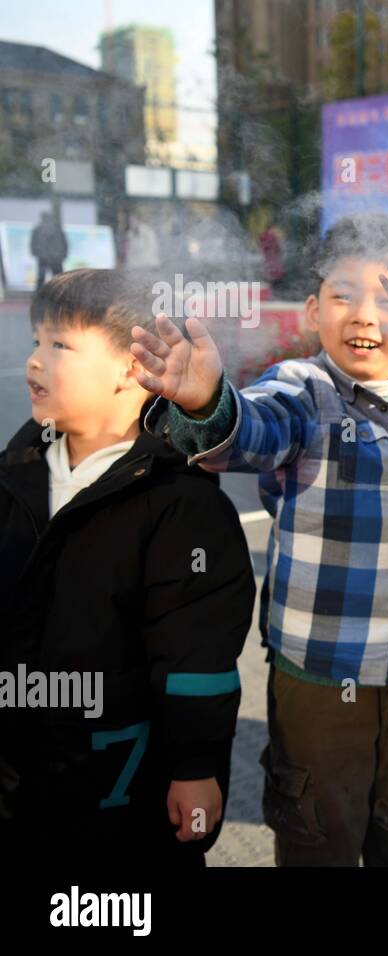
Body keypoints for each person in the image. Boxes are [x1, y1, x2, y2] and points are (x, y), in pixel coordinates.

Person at [129, 213, 388, 866]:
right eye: (343, 294)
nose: (365, 314)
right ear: (310, 310)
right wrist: (208, 402)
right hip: (319, 679)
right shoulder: (303, 390)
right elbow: (253, 430)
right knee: (317, 840)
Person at [0, 269, 254, 865]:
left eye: (60, 345)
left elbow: (196, 654)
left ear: (130, 366)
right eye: (37, 341)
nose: (35, 361)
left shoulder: (180, 504)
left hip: (121, 791)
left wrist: (195, 767)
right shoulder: (13, 476)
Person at [30, 211, 68, 290]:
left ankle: (39, 294)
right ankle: (58, 293)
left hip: (46, 256)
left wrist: (35, 252)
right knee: (58, 278)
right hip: (54, 257)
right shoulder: (57, 228)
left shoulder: (38, 228)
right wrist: (64, 254)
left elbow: (33, 242)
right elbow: (64, 242)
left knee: (43, 277)